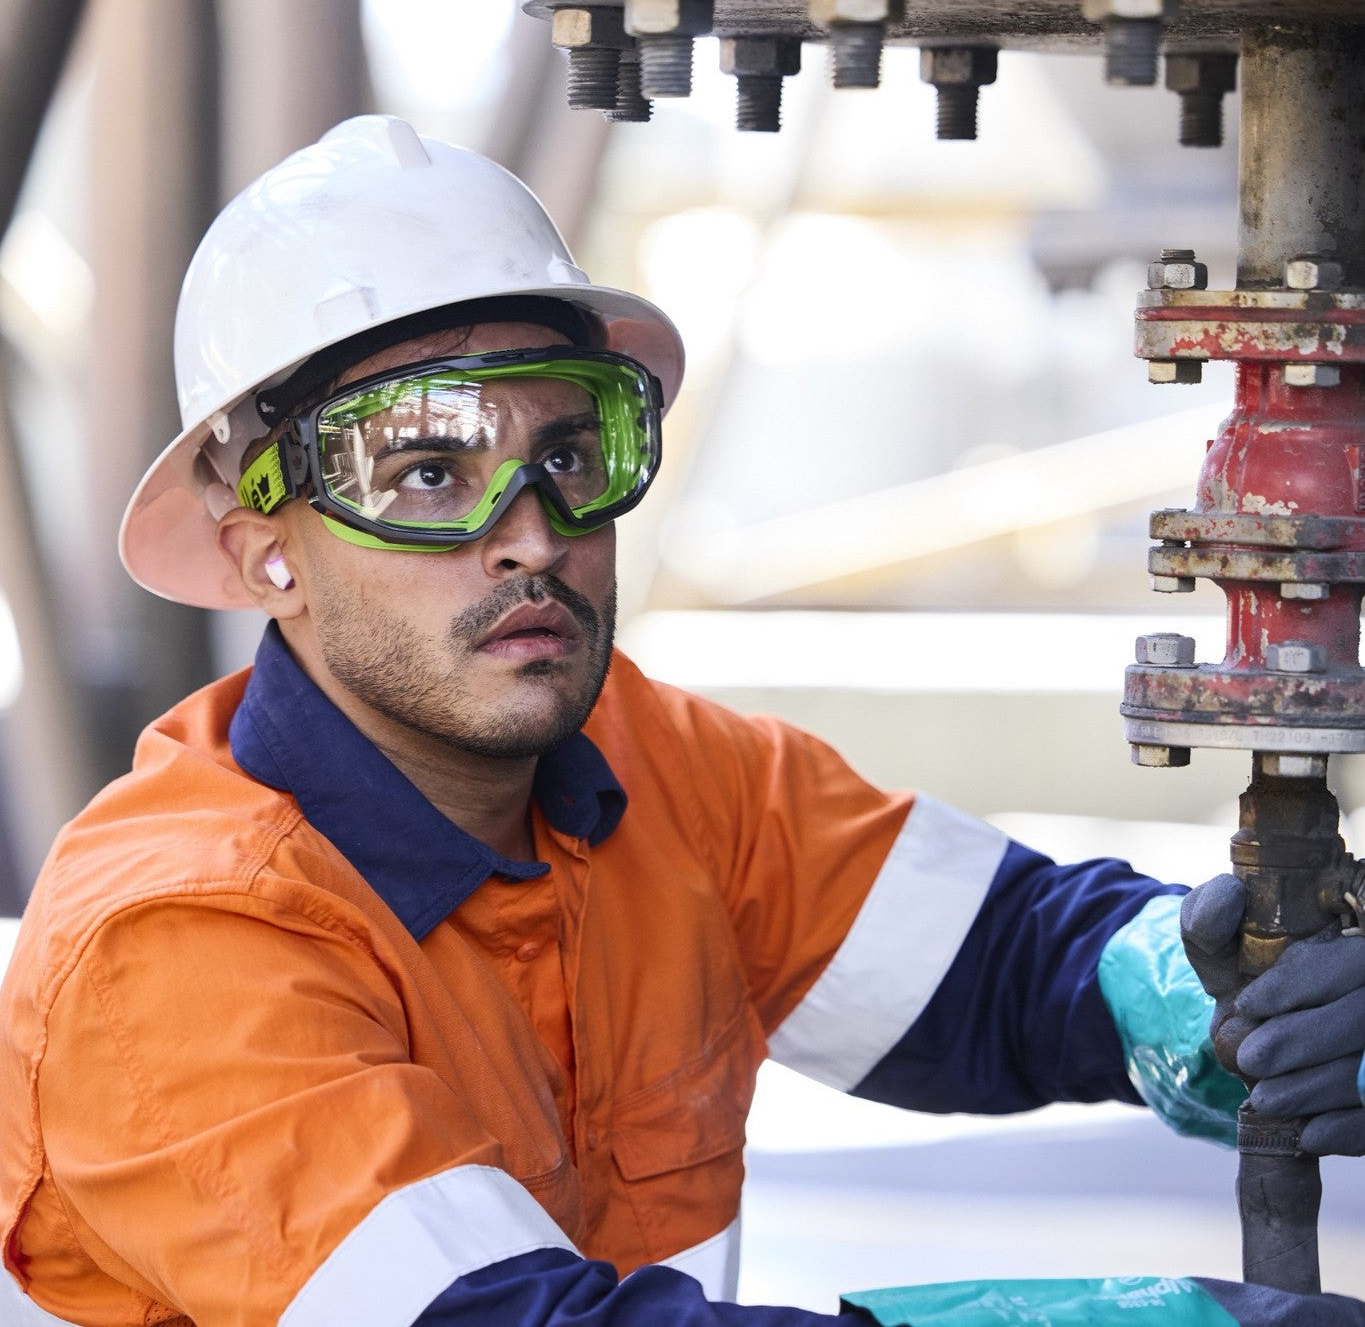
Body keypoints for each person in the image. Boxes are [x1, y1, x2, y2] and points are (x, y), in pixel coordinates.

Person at [0, 114, 1361, 1327]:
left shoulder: (648, 773)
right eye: (426, 471)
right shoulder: (171, 946)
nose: (529, 537)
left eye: (573, 454)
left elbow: (994, 964)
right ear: (261, 552)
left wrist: (1187, 984)